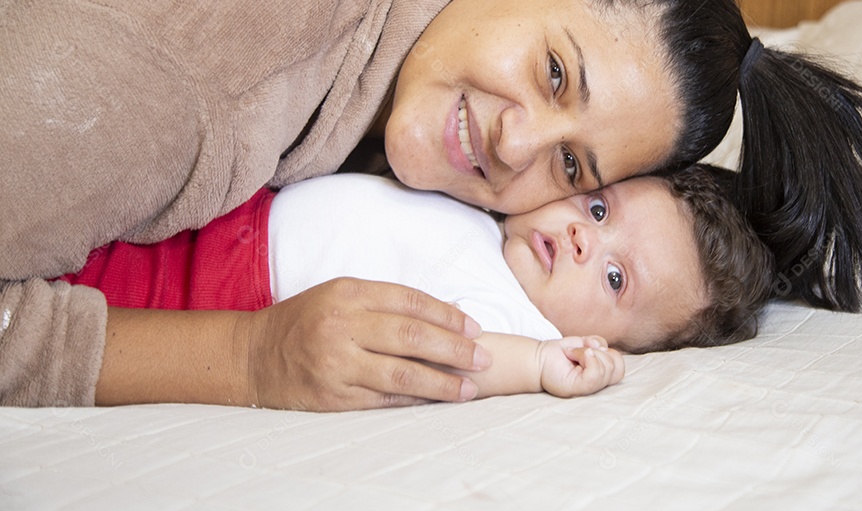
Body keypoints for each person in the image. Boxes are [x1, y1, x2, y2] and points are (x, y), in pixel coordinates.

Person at [0, 0, 862, 410]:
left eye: (575, 168)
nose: (514, 143)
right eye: (553, 72)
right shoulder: (190, 76)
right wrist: (250, 357)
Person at [56, 166, 775, 402]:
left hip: (222, 289)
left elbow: (463, 356)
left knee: (73, 277)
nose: (587, 238)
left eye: (615, 277)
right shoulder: (497, 206)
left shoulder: (517, 318)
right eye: (597, 207)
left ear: (606, 341)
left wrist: (542, 367)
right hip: (237, 211)